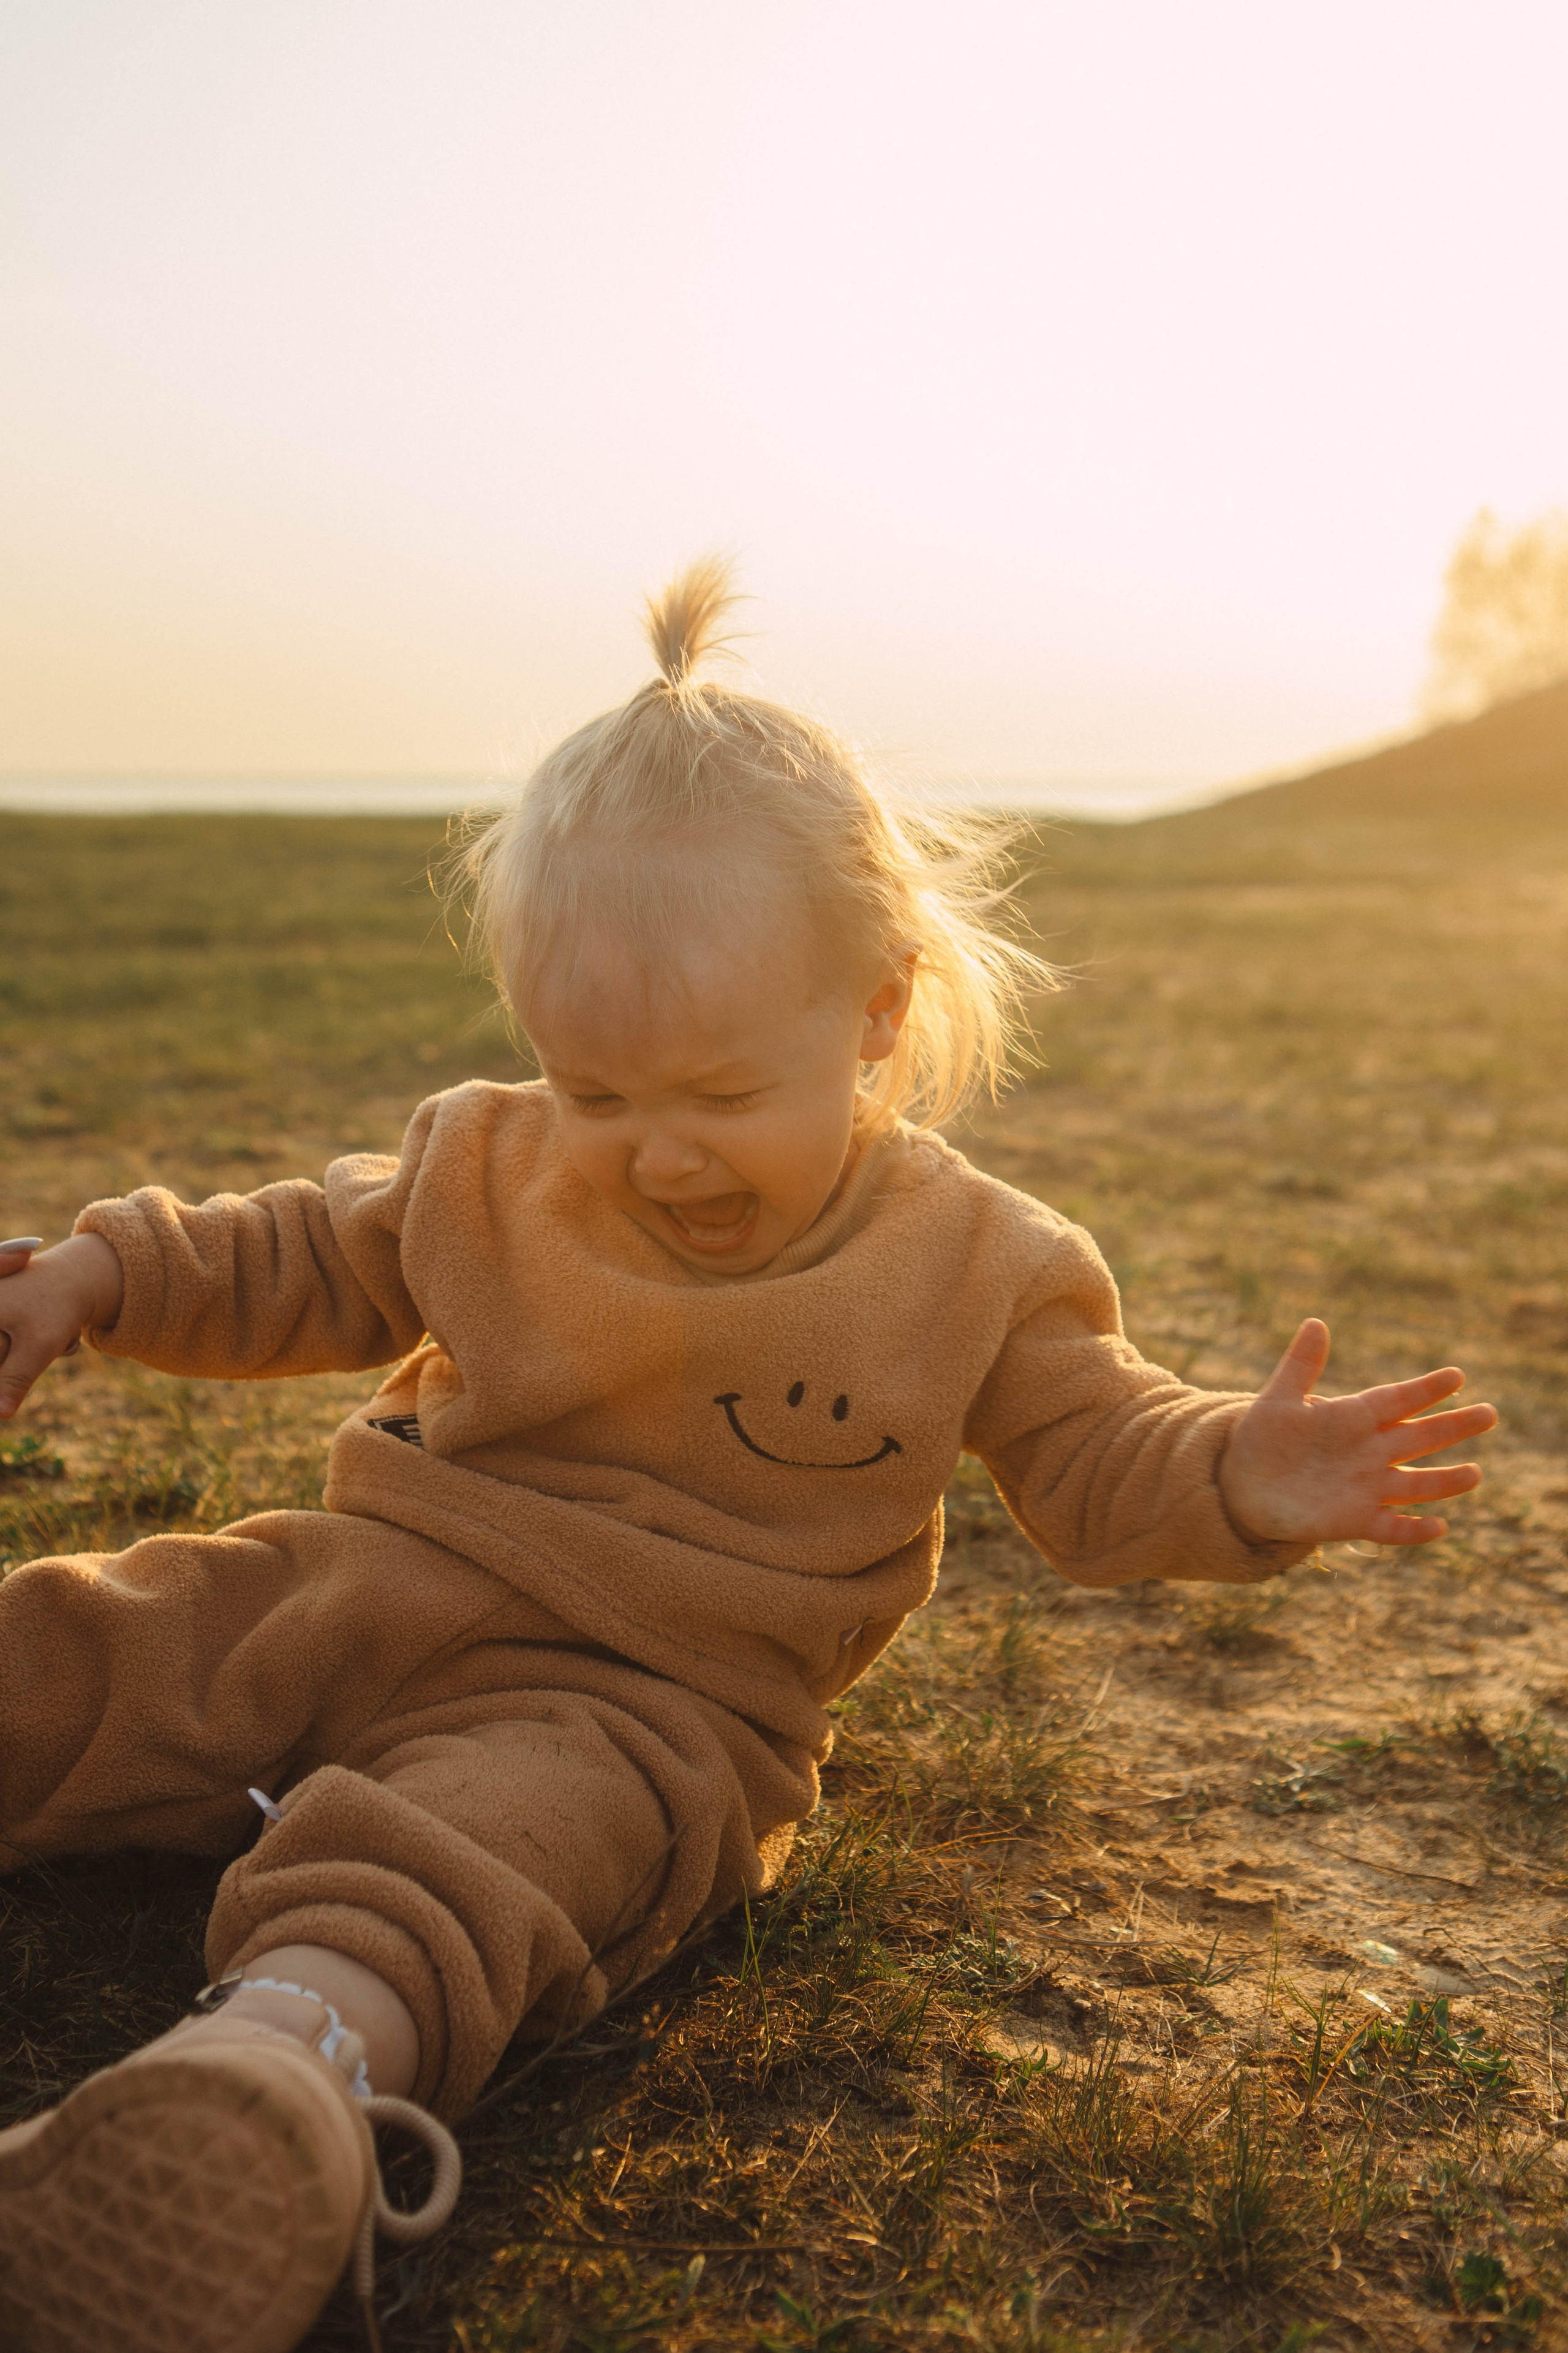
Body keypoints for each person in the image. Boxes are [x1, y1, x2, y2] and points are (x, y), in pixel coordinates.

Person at [0, 561, 1497, 2353]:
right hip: (367, 1580)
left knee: (465, 1856)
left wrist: (1238, 1478)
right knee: (99, 1640)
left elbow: (1100, 1447)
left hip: (655, 1706)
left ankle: (267, 2084)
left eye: (719, 1096)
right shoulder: (489, 1162)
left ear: (874, 1015)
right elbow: (302, 1251)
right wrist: (99, 1269)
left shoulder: (975, 1260)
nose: (655, 1153)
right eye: (599, 1091)